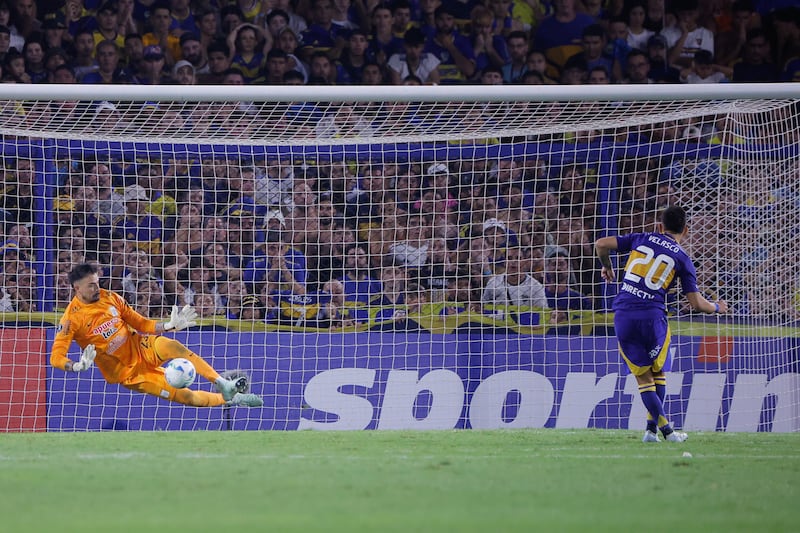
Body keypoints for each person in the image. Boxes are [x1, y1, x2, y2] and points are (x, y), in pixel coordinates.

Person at [594, 205, 728, 443]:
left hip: (624, 314)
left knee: (646, 378)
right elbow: (697, 304)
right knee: (657, 372)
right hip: (653, 317)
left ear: (659, 226)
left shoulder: (641, 238)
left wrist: (607, 266)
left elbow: (601, 244)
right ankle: (668, 431)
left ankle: (650, 430)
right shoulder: (683, 258)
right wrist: (717, 307)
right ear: (685, 230)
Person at [50, 262, 263, 408]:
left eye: (98, 282)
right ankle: (234, 400)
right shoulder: (71, 319)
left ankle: (222, 382)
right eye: (91, 285)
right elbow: (55, 357)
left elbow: (140, 322)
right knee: (187, 398)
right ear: (77, 288)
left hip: (141, 346)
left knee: (172, 346)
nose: (98, 288)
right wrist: (76, 366)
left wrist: (168, 325)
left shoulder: (110, 297)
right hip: (128, 373)